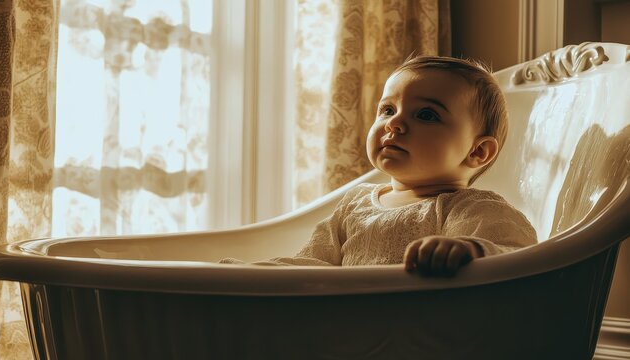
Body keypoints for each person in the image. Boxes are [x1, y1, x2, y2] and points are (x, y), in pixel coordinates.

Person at [222, 55, 537, 276]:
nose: (396, 123)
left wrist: (472, 249)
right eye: (387, 110)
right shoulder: (355, 204)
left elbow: (519, 256)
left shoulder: (470, 208)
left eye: (426, 114)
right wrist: (255, 273)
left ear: (478, 152)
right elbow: (313, 264)